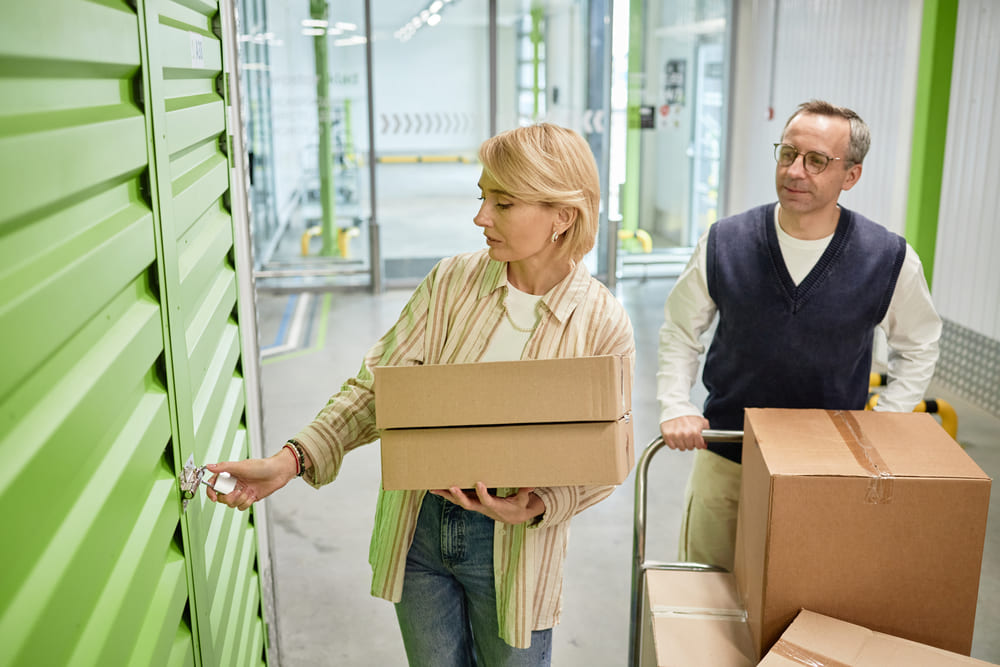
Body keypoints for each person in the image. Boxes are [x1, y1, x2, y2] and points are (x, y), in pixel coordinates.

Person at [206, 123, 635, 666]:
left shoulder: (601, 324)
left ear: (563, 216)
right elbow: (377, 389)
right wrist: (291, 460)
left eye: (503, 204)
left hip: (512, 549)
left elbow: (607, 453)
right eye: (483, 199)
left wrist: (538, 504)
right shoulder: (451, 283)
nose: (481, 217)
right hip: (420, 533)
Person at [656, 100, 941, 571]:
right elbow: (681, 331)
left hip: (826, 471)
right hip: (728, 458)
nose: (795, 171)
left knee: (806, 596)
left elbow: (918, 344)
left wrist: (885, 421)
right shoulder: (725, 242)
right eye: (787, 153)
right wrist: (675, 404)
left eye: (816, 161)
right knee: (705, 594)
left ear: (850, 176)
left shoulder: (887, 257)